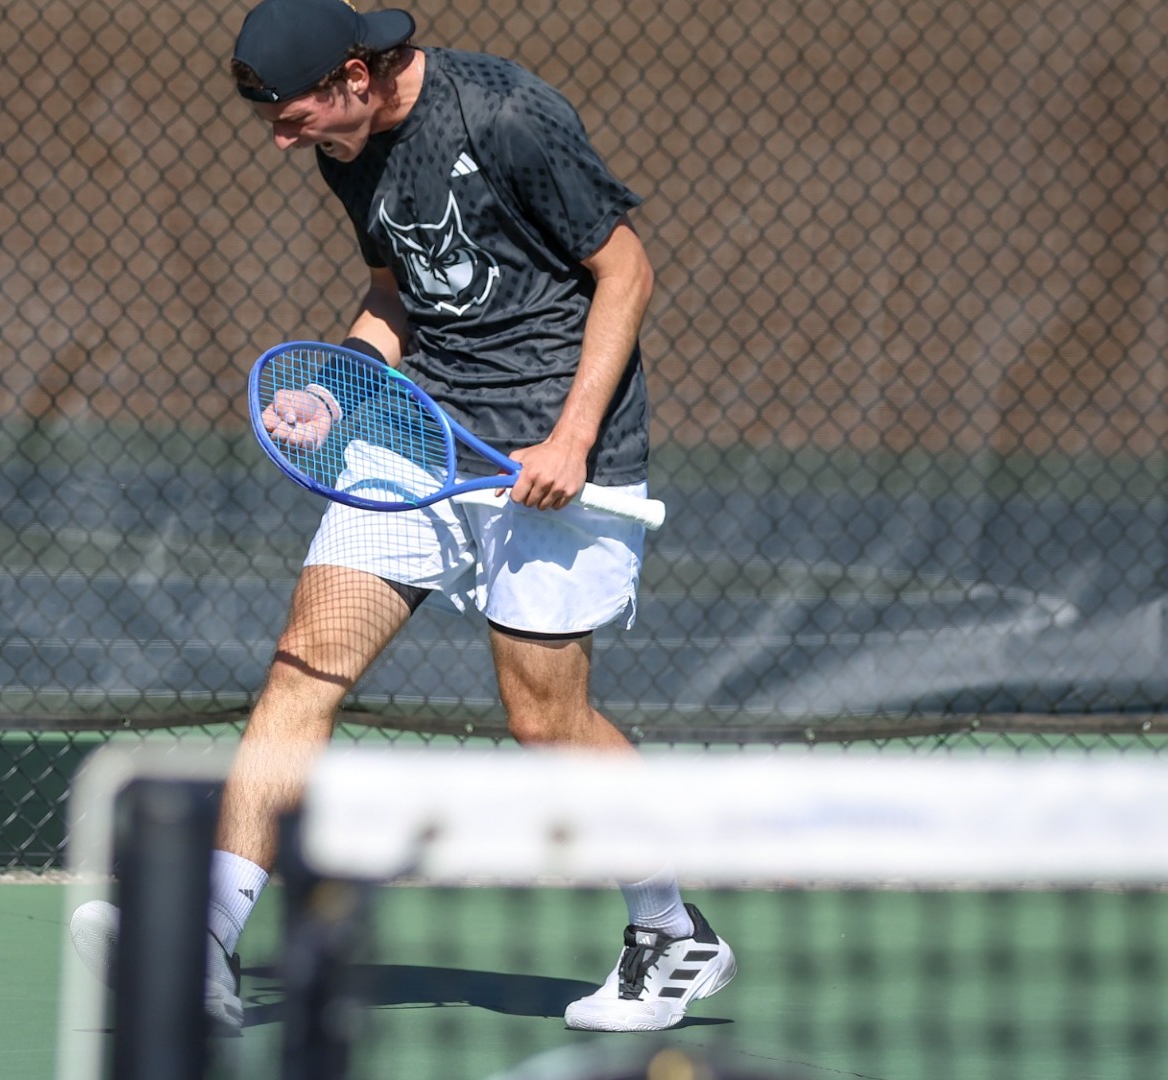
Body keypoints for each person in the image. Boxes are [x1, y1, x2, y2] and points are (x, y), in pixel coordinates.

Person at [71, 0, 735, 1034]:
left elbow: (627, 271)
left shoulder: (505, 116)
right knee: (305, 662)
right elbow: (395, 290)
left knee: (542, 720)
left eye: (295, 118)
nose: (285, 142)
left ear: (353, 74)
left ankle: (670, 931)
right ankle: (204, 940)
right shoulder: (351, 149)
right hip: (419, 433)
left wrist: (567, 438)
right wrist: (339, 392)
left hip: (552, 450)